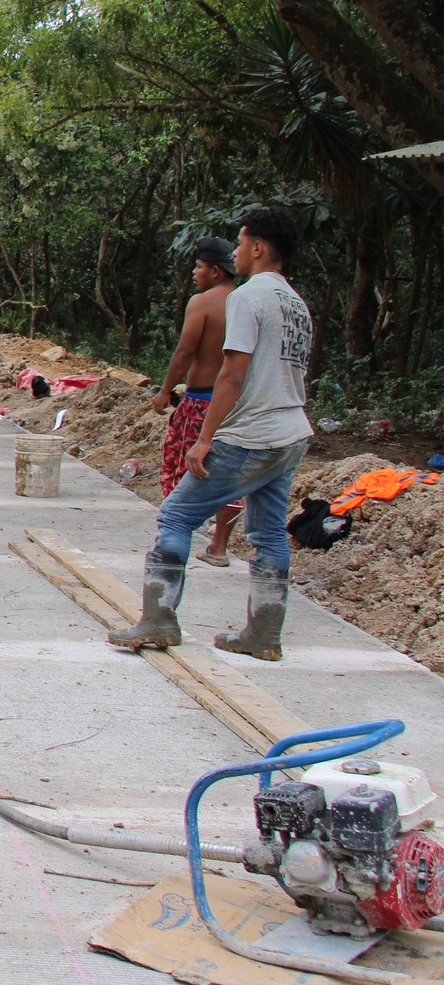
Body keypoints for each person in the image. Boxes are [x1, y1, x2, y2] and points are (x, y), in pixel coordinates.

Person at [109, 210, 314, 662]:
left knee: (177, 515)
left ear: (258, 248)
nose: (235, 253)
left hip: (250, 433)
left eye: (240, 245)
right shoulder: (296, 303)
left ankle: (158, 619)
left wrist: (204, 439)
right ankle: (263, 633)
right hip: (290, 432)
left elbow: (233, 374)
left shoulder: (247, 296)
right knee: (268, 534)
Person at [151, 237, 244, 567]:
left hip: (202, 401)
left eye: (199, 267)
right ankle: (219, 546)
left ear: (216, 271)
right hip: (235, 404)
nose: (195, 272)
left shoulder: (202, 303)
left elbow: (186, 351)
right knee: (229, 474)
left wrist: (164, 390)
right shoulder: (245, 302)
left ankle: (174, 541)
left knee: (181, 467)